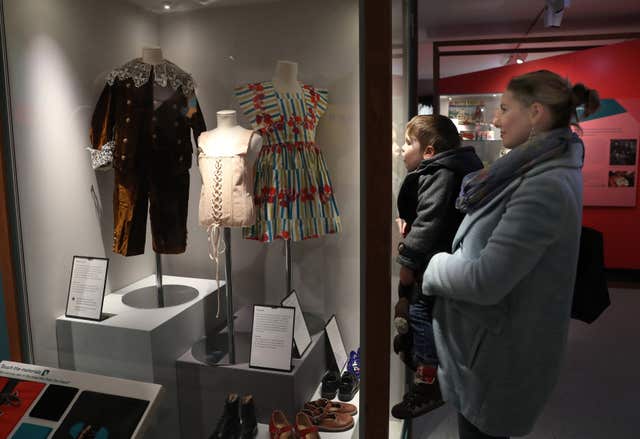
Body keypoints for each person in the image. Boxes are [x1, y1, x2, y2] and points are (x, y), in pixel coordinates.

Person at [422, 70, 600, 438]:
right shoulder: (535, 167)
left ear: (535, 113)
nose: (497, 119)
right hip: (487, 352)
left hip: (498, 363)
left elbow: (486, 281)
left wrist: (434, 265)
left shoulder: (544, 184)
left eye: (504, 109)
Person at [391, 115, 483, 419]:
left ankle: (427, 381)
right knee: (421, 312)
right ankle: (419, 356)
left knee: (418, 311)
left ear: (428, 151)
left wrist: (407, 259)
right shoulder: (451, 168)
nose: (401, 150)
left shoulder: (439, 173)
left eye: (407, 144)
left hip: (432, 259)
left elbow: (429, 221)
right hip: (441, 256)